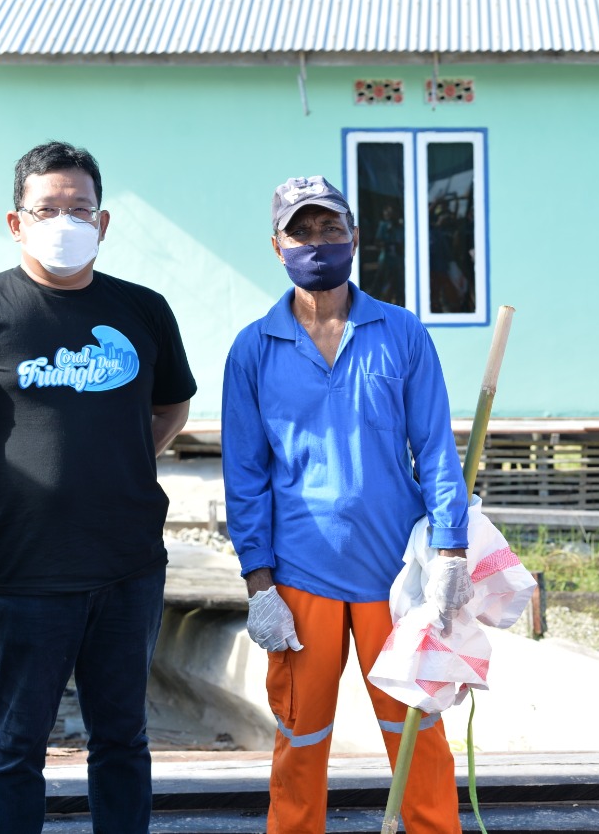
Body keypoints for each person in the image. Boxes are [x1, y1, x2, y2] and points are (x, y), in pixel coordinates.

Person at [0, 140, 196, 833]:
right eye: (48, 208)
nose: (64, 220)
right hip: (23, 566)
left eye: (80, 208)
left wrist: (122, 459)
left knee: (124, 742)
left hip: (128, 564)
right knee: (16, 745)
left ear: (102, 223)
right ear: (17, 222)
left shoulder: (144, 310)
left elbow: (172, 407)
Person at [222, 175, 472, 834]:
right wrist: (258, 585)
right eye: (301, 231)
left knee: (416, 737)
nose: (317, 243)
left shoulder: (401, 333)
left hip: (396, 582)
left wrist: (450, 549)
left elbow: (437, 449)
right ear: (276, 244)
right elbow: (244, 475)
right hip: (301, 580)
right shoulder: (253, 348)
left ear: (355, 237)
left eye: (330, 228)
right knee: (299, 745)